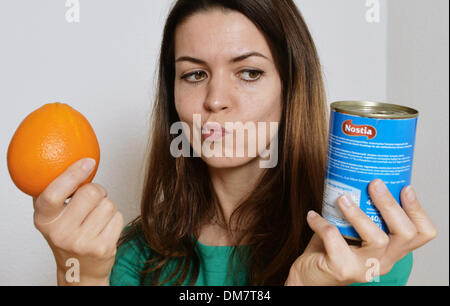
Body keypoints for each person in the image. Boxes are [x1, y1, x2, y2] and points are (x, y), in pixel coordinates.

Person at [32, 0, 437, 286]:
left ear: (291, 88)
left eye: (248, 72)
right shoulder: (133, 257)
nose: (215, 99)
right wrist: (80, 279)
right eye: (194, 75)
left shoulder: (364, 251)